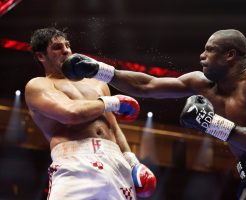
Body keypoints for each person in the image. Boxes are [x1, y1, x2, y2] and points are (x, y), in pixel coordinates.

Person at [62, 29, 246, 200]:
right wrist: (99, 70)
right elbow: (147, 85)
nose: (201, 56)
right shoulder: (202, 83)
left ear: (230, 55)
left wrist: (212, 123)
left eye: (209, 50)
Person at [25, 27, 156, 200]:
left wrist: (132, 162)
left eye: (67, 45)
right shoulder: (39, 85)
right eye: (57, 47)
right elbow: (70, 113)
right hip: (75, 162)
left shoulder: (97, 83)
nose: (66, 50)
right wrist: (113, 102)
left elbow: (114, 129)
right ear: (41, 56)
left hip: (116, 162)